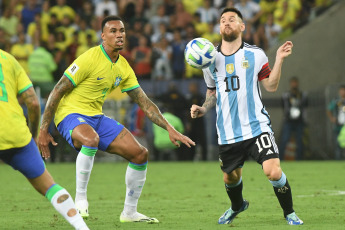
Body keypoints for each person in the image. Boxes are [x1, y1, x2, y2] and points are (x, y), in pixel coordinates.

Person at [38, 15, 195, 223]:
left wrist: (169, 128)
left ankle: (129, 213)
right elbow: (57, 90)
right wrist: (43, 129)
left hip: (96, 117)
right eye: (113, 31)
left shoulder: (123, 67)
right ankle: (80, 200)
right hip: (70, 114)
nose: (119, 35)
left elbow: (145, 102)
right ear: (103, 36)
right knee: (90, 139)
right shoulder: (89, 58)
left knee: (140, 154)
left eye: (121, 31)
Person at [190, 7, 303, 225]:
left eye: (232, 19)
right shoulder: (209, 60)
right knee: (230, 177)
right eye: (223, 20)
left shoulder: (255, 54)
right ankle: (237, 206)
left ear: (242, 26)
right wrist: (204, 108)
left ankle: (289, 212)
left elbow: (270, 85)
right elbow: (212, 92)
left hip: (256, 126)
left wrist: (279, 59)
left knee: (273, 171)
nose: (226, 23)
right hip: (227, 132)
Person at [0, 49, 89, 230]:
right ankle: (81, 227)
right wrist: (32, 135)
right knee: (49, 187)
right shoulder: (8, 59)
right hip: (16, 134)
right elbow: (33, 102)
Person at [279, 77, 308, 160]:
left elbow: (305, 107)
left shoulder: (302, 95)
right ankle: (280, 159)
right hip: (288, 121)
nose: (294, 84)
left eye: (295, 83)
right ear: (290, 84)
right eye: (293, 83)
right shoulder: (286, 95)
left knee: (300, 141)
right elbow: (283, 106)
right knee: (284, 139)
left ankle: (299, 159)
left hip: (299, 121)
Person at [327, 84, 345, 160]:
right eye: (341, 90)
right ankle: (338, 160)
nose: (342, 92)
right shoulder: (336, 100)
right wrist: (332, 118)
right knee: (337, 144)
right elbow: (328, 109)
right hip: (338, 127)